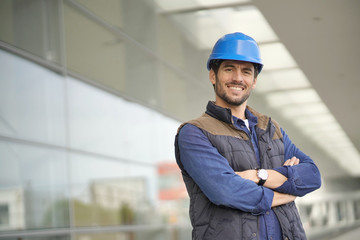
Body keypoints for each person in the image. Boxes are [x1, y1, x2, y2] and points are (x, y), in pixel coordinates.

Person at [174, 32, 321, 240]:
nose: (238, 78)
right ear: (213, 75)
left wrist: (257, 175)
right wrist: (288, 190)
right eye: (229, 69)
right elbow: (226, 191)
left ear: (253, 81)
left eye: (246, 71)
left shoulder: (270, 129)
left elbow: (312, 175)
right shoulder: (195, 133)